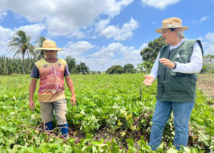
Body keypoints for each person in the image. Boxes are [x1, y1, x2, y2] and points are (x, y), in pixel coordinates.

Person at [143, 17, 203, 150]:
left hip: (183, 96)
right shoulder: (163, 49)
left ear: (175, 30)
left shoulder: (192, 44)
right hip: (164, 95)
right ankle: (152, 149)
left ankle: (179, 151)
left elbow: (197, 66)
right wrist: (152, 77)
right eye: (162, 33)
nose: (162, 35)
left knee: (181, 127)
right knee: (157, 123)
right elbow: (156, 69)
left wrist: (175, 65)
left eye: (165, 32)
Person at [29, 40, 76, 138]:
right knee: (46, 120)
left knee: (62, 117)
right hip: (44, 97)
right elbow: (33, 82)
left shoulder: (63, 63)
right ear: (43, 52)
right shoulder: (38, 64)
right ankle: (49, 139)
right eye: (46, 51)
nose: (48, 52)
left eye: (51, 50)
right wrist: (31, 99)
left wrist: (73, 95)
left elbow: (68, 79)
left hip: (59, 95)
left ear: (56, 51)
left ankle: (65, 139)